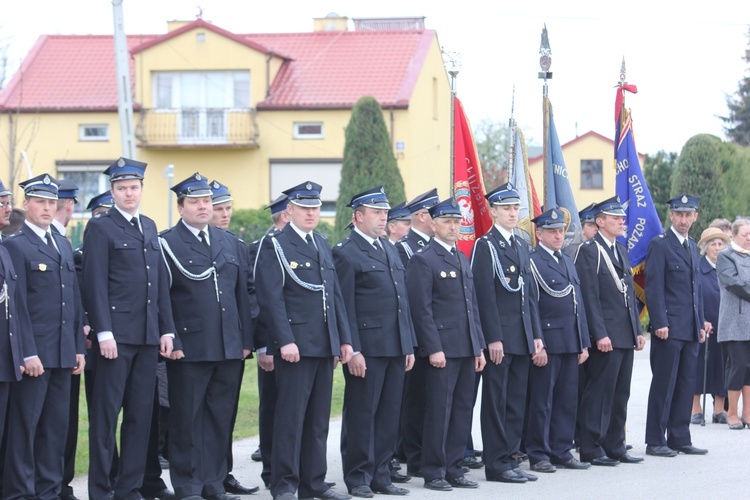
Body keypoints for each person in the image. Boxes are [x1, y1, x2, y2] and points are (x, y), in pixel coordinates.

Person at [83, 157, 177, 500]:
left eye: (134, 188)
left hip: (147, 337)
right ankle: (101, 489)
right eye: (121, 188)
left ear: (141, 189)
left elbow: (159, 285)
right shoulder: (101, 227)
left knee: (141, 416)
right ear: (112, 191)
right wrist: (103, 332)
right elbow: (94, 283)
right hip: (117, 338)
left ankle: (130, 487)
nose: (128, 194)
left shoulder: (149, 226)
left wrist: (166, 330)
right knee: (106, 417)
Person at [158, 173, 256, 499]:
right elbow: (163, 297)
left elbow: (241, 295)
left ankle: (214, 483)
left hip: (228, 346)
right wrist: (171, 338)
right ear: (181, 207)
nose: (203, 207)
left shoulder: (228, 242)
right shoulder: (167, 242)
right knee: (187, 420)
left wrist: (245, 341)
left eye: (207, 201)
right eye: (195, 202)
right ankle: (188, 486)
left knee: (218, 418)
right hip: (190, 347)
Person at [254, 181, 353, 500]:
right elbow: (271, 298)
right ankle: (284, 484)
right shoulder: (276, 245)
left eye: (315, 207)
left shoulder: (322, 244)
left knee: (317, 420)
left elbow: (335, 296)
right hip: (295, 344)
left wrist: (343, 339)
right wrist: (284, 340)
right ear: (290, 211)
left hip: (323, 344)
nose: (312, 213)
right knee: (290, 418)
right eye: (305, 208)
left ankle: (313, 483)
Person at [2, 173, 86, 499]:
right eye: (40, 201)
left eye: (52, 202)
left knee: (55, 429)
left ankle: (48, 491)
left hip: (64, 351)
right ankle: (19, 492)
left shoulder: (62, 242)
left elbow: (73, 300)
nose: (47, 208)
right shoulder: (15, 245)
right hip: (34, 354)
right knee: (25, 428)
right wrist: (26, 352)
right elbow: (16, 306)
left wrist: (78, 348)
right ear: (27, 205)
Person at [333, 186, 416, 498]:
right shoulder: (346, 252)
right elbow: (344, 307)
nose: (384, 218)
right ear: (358, 216)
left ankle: (381, 474)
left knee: (388, 415)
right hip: (367, 349)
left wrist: (407, 344)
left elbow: (401, 301)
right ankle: (358, 477)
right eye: (377, 213)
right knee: (362, 414)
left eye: (385, 213)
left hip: (394, 346)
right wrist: (352, 349)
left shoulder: (389, 248)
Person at [405, 197, 486, 492]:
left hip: (466, 348)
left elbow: (471, 307)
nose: (453, 227)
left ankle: (454, 467)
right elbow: (421, 309)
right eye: (447, 222)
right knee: (439, 411)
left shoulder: (461, 258)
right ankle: (434, 470)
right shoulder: (423, 259)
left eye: (457, 222)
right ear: (434, 224)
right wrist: (433, 348)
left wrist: (478, 346)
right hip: (442, 349)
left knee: (462, 410)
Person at [471, 182, 543, 484]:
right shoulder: (485, 246)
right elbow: (483, 296)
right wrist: (492, 338)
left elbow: (529, 297)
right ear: (493, 211)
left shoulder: (521, 246)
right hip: (500, 338)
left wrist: (536, 335)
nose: (513, 213)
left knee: (516, 401)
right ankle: (496, 463)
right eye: (506, 208)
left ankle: (512, 458)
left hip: (523, 336)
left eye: (515, 208)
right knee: (496, 402)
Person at [574, 196, 645, 466]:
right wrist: (599, 333)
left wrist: (637, 329)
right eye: (615, 218)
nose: (620, 221)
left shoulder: (620, 250)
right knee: (600, 391)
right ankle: (591, 446)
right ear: (600, 221)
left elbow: (627, 296)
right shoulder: (590, 251)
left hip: (624, 333)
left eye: (621, 218)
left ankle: (615, 444)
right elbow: (589, 297)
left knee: (620, 392)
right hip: (605, 336)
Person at [525, 208, 591, 473]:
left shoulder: (567, 260)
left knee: (566, 400)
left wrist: (583, 341)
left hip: (570, 340)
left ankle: (561, 449)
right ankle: (538, 453)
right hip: (549, 342)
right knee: (542, 401)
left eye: (561, 230)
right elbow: (531, 305)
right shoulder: (533, 261)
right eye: (552, 231)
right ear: (538, 234)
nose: (558, 235)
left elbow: (578, 304)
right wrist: (537, 341)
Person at [645, 194, 709, 457]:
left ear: (695, 217)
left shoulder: (693, 246)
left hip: (690, 328)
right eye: (679, 214)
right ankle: (655, 440)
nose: (683, 219)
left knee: (685, 383)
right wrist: (659, 321)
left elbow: (697, 290)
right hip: (669, 328)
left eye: (688, 214)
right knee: (664, 383)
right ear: (671, 216)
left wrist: (701, 322)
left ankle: (680, 436)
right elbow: (654, 286)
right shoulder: (660, 245)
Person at [394, 188, 438, 477]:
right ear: (422, 216)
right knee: (415, 398)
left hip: (436, 332)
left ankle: (428, 450)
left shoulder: (433, 247)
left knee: (430, 398)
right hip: (416, 334)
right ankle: (414, 454)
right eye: (435, 215)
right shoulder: (403, 248)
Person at [250, 194, 290, 488]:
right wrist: (263, 345)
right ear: (286, 215)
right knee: (273, 406)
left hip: (298, 344)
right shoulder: (265, 246)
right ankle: (270, 467)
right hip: (274, 344)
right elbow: (260, 300)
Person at [691, 227, 729, 424]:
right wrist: (701, 320)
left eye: (720, 244)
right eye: (713, 244)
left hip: (725, 325)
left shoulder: (726, 268)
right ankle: (696, 409)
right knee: (698, 366)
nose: (717, 247)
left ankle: (719, 410)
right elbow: (695, 297)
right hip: (704, 325)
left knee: (722, 366)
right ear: (705, 248)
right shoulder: (698, 268)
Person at [716, 218, 750, 429]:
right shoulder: (725, 257)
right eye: (745, 234)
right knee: (737, 366)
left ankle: (747, 413)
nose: (748, 238)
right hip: (734, 322)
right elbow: (735, 283)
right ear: (734, 236)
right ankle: (732, 414)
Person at [395, 188, 438, 267]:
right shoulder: (403, 248)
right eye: (435, 213)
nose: (439, 218)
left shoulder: (438, 242)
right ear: (421, 217)